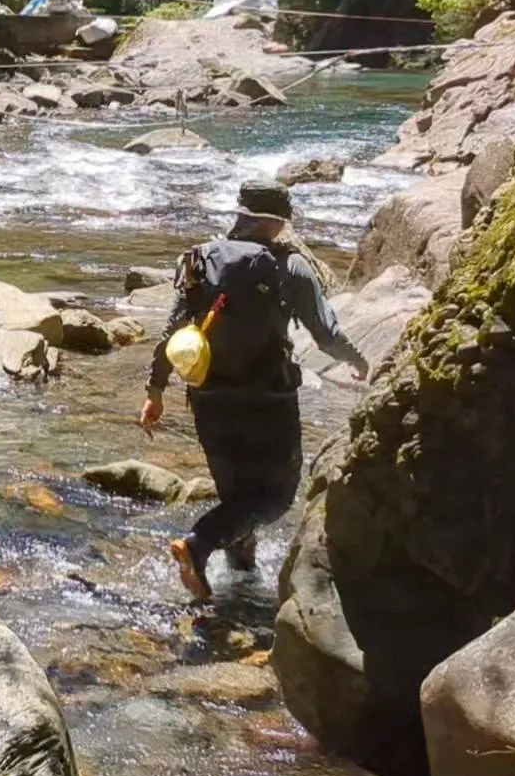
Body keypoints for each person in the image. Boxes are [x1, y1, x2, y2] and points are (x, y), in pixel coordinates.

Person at [139, 179, 369, 601]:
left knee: (236, 498)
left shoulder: (198, 260)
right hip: (268, 402)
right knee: (275, 499)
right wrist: (358, 360)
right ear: (279, 223)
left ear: (239, 213)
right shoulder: (291, 266)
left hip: (208, 399)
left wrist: (154, 391)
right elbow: (325, 332)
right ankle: (198, 544)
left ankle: (241, 584)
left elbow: (171, 333)